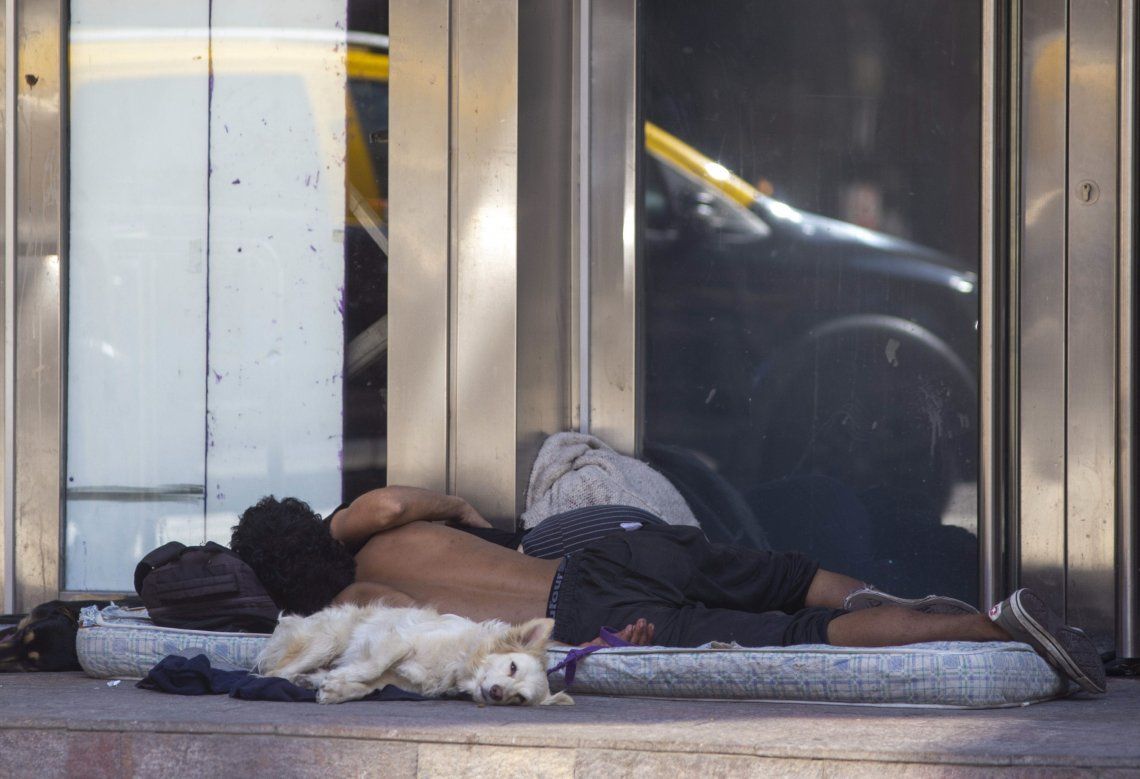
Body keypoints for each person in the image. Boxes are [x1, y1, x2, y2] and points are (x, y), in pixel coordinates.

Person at [230, 486, 1106, 694]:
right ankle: (916, 601)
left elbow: (445, 648)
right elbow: (388, 501)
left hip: (586, 609)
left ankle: (995, 631)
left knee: (792, 636)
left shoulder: (362, 598)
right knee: (792, 578)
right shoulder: (378, 527)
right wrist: (460, 511)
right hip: (615, 553)